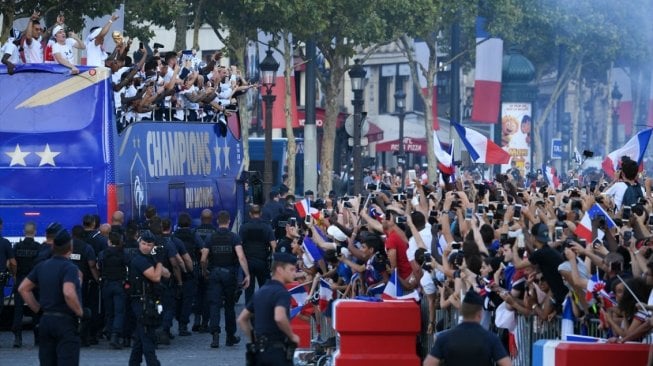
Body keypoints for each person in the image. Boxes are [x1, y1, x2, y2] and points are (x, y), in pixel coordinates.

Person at [18, 229, 85, 366]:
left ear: (53, 247)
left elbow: (23, 289)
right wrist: (80, 312)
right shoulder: (69, 268)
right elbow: (68, 292)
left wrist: (38, 310)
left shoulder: (42, 266)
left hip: (46, 320)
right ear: (70, 248)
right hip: (65, 322)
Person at [237, 252, 301, 366]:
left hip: (259, 353)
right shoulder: (281, 293)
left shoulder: (260, 292)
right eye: (291, 270)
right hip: (277, 352)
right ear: (280, 270)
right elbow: (280, 317)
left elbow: (242, 319)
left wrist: (253, 339)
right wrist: (292, 336)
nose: (294, 273)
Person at [201, 210, 250, 348]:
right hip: (229, 274)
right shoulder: (234, 237)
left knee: (214, 305)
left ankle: (215, 336)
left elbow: (203, 258)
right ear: (229, 221)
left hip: (214, 274)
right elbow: (240, 257)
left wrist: (205, 271)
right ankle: (230, 337)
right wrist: (247, 275)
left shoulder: (210, 237)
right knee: (229, 306)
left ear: (217, 221)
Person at [423, 289, 511, 366]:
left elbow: (429, 363)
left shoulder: (444, 338)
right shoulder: (490, 338)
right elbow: (506, 363)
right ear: (480, 313)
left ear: (462, 312)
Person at [128, 230, 170, 366]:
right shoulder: (139, 260)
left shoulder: (149, 259)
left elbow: (167, 274)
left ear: (153, 246)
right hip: (142, 303)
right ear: (139, 243)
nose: (145, 246)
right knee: (147, 338)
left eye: (149, 244)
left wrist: (158, 262)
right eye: (143, 243)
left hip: (148, 301)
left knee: (141, 339)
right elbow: (156, 277)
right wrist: (159, 261)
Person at [239, 205, 276, 305]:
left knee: (249, 290)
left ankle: (249, 316)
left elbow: (239, 246)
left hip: (248, 262)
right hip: (263, 262)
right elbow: (274, 246)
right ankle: (263, 313)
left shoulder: (244, 227)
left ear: (250, 214)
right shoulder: (266, 227)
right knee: (264, 290)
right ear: (261, 214)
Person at [11, 222, 41, 348]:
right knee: (36, 309)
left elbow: (12, 263)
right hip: (34, 281)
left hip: (20, 280)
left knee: (18, 310)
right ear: (35, 232)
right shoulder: (38, 247)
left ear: (24, 232)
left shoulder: (17, 246)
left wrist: (15, 275)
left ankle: (18, 338)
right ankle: (37, 339)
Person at [98, 231, 129, 349]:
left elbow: (98, 266)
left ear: (109, 241)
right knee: (119, 312)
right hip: (119, 284)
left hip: (106, 284)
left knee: (109, 311)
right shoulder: (123, 253)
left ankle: (109, 332)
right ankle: (115, 335)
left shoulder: (102, 253)